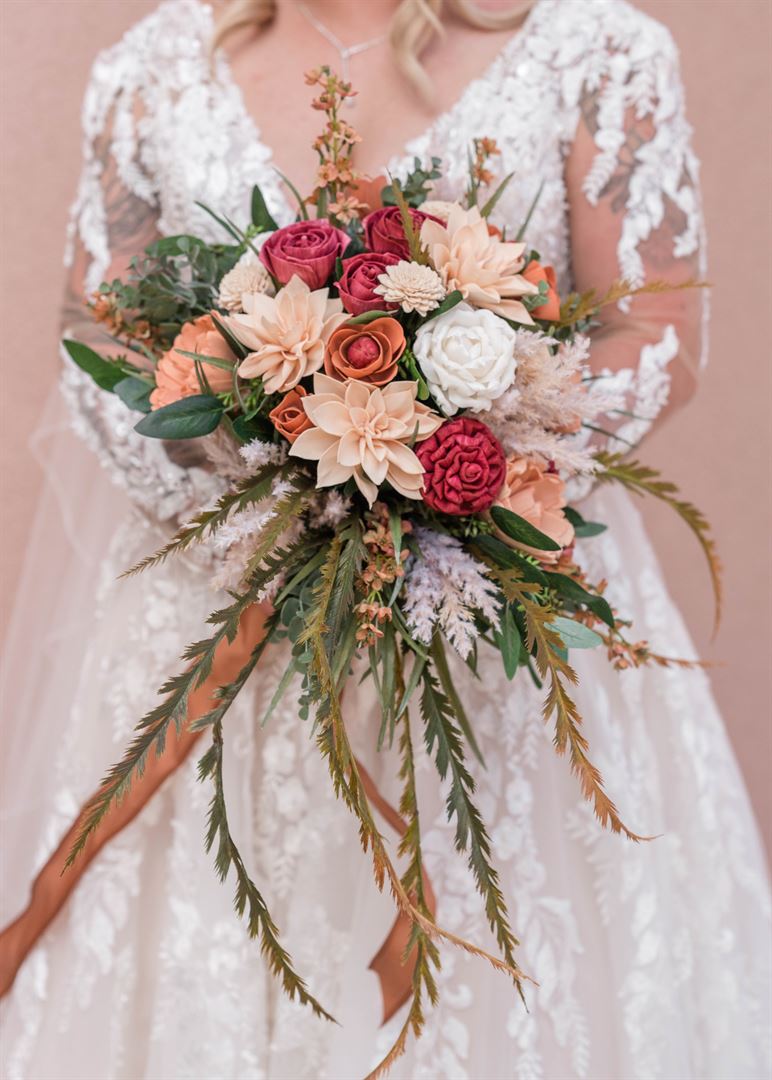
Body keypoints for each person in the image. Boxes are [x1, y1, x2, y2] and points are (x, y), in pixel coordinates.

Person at [1, 1, 770, 1077]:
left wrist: (458, 476)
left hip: (488, 610)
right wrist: (262, 509)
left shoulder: (597, 51)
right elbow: (98, 332)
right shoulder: (153, 69)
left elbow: (655, 331)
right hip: (220, 608)